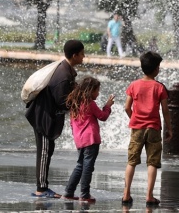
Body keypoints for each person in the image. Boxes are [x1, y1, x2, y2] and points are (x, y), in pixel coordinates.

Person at [25, 40, 85, 198]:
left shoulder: (65, 69)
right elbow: (63, 102)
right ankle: (41, 189)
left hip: (46, 115)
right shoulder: (64, 75)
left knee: (47, 150)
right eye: (82, 54)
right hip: (43, 117)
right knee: (44, 152)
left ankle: (43, 187)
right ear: (74, 55)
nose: (84, 57)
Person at [122, 51, 172, 207]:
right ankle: (149, 196)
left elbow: (126, 107)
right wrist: (169, 128)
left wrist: (134, 119)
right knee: (152, 162)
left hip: (137, 127)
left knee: (132, 161)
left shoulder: (134, 85)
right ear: (156, 68)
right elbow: (165, 110)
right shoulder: (159, 87)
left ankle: (126, 194)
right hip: (153, 128)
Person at [62, 76, 115, 203]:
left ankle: (69, 192)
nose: (98, 93)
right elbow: (102, 116)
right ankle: (84, 194)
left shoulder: (75, 104)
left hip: (79, 140)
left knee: (80, 165)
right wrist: (107, 106)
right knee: (88, 167)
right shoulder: (90, 103)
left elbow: (71, 124)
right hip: (91, 140)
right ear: (90, 91)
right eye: (97, 90)